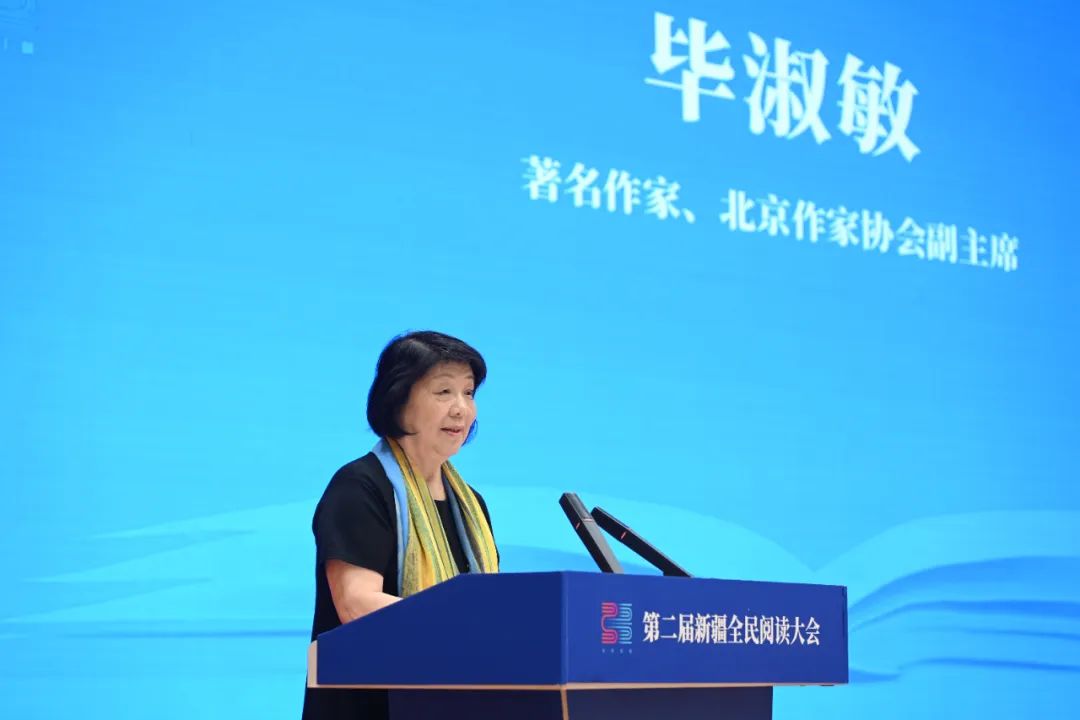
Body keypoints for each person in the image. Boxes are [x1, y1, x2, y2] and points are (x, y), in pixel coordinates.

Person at [301, 330, 500, 720]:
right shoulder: (360, 487)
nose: (461, 409)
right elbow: (356, 603)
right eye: (443, 392)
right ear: (398, 399)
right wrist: (464, 628)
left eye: (468, 392)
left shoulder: (471, 505)